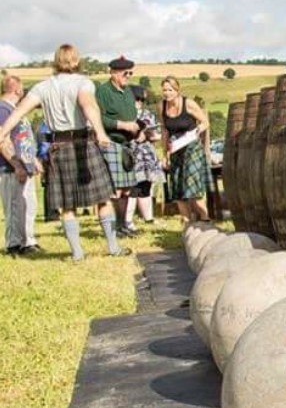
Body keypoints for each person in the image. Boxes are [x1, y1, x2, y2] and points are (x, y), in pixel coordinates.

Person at [0, 44, 130, 260]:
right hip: (84, 144)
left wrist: (3, 131)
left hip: (59, 148)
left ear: (55, 61)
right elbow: (88, 105)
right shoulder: (83, 83)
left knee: (67, 206)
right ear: (77, 61)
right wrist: (100, 132)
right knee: (103, 199)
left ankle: (77, 253)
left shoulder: (43, 87)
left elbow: (20, 109)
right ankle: (113, 247)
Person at [95, 56, 139, 236]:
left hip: (128, 144)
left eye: (130, 73)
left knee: (127, 188)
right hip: (111, 142)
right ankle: (113, 228)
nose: (127, 76)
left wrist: (138, 129)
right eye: (124, 73)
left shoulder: (127, 91)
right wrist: (122, 125)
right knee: (116, 189)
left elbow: (132, 114)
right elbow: (99, 117)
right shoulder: (103, 92)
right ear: (112, 72)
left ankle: (123, 225)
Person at [159, 76, 213, 224]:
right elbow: (164, 130)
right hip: (175, 148)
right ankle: (187, 219)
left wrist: (195, 132)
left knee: (192, 182)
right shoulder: (161, 106)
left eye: (170, 90)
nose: (167, 93)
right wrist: (165, 154)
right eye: (164, 90)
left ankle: (204, 218)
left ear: (177, 90)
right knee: (177, 184)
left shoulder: (188, 104)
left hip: (192, 147)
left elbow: (205, 122)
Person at [0, 75, 41, 255]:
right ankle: (14, 243)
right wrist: (16, 165)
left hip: (26, 164)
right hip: (10, 168)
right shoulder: (3, 110)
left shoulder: (15, 109)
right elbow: (3, 140)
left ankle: (27, 240)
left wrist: (34, 160)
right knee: (14, 206)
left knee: (28, 205)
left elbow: (23, 137)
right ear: (16, 89)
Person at [124, 85, 164, 230]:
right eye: (139, 99)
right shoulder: (126, 114)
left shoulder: (147, 114)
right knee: (133, 189)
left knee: (145, 187)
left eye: (141, 99)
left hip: (145, 154)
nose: (140, 102)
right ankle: (127, 221)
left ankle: (148, 218)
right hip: (132, 155)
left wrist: (147, 135)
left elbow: (155, 134)